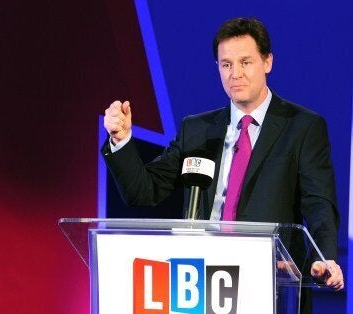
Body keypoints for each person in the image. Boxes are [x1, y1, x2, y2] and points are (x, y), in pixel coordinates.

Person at [102, 17, 343, 310]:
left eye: (245, 62)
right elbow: (144, 190)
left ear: (267, 62)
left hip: (269, 282)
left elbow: (318, 201)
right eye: (226, 64)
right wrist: (121, 139)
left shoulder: (302, 127)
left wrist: (324, 255)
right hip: (200, 282)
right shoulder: (197, 128)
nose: (235, 73)